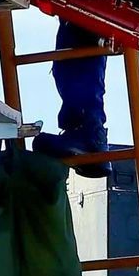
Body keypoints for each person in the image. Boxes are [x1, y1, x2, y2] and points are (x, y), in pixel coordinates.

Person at [32, 19, 111, 178]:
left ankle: (88, 134)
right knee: (68, 61)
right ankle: (87, 133)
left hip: (86, 5)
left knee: (77, 52)